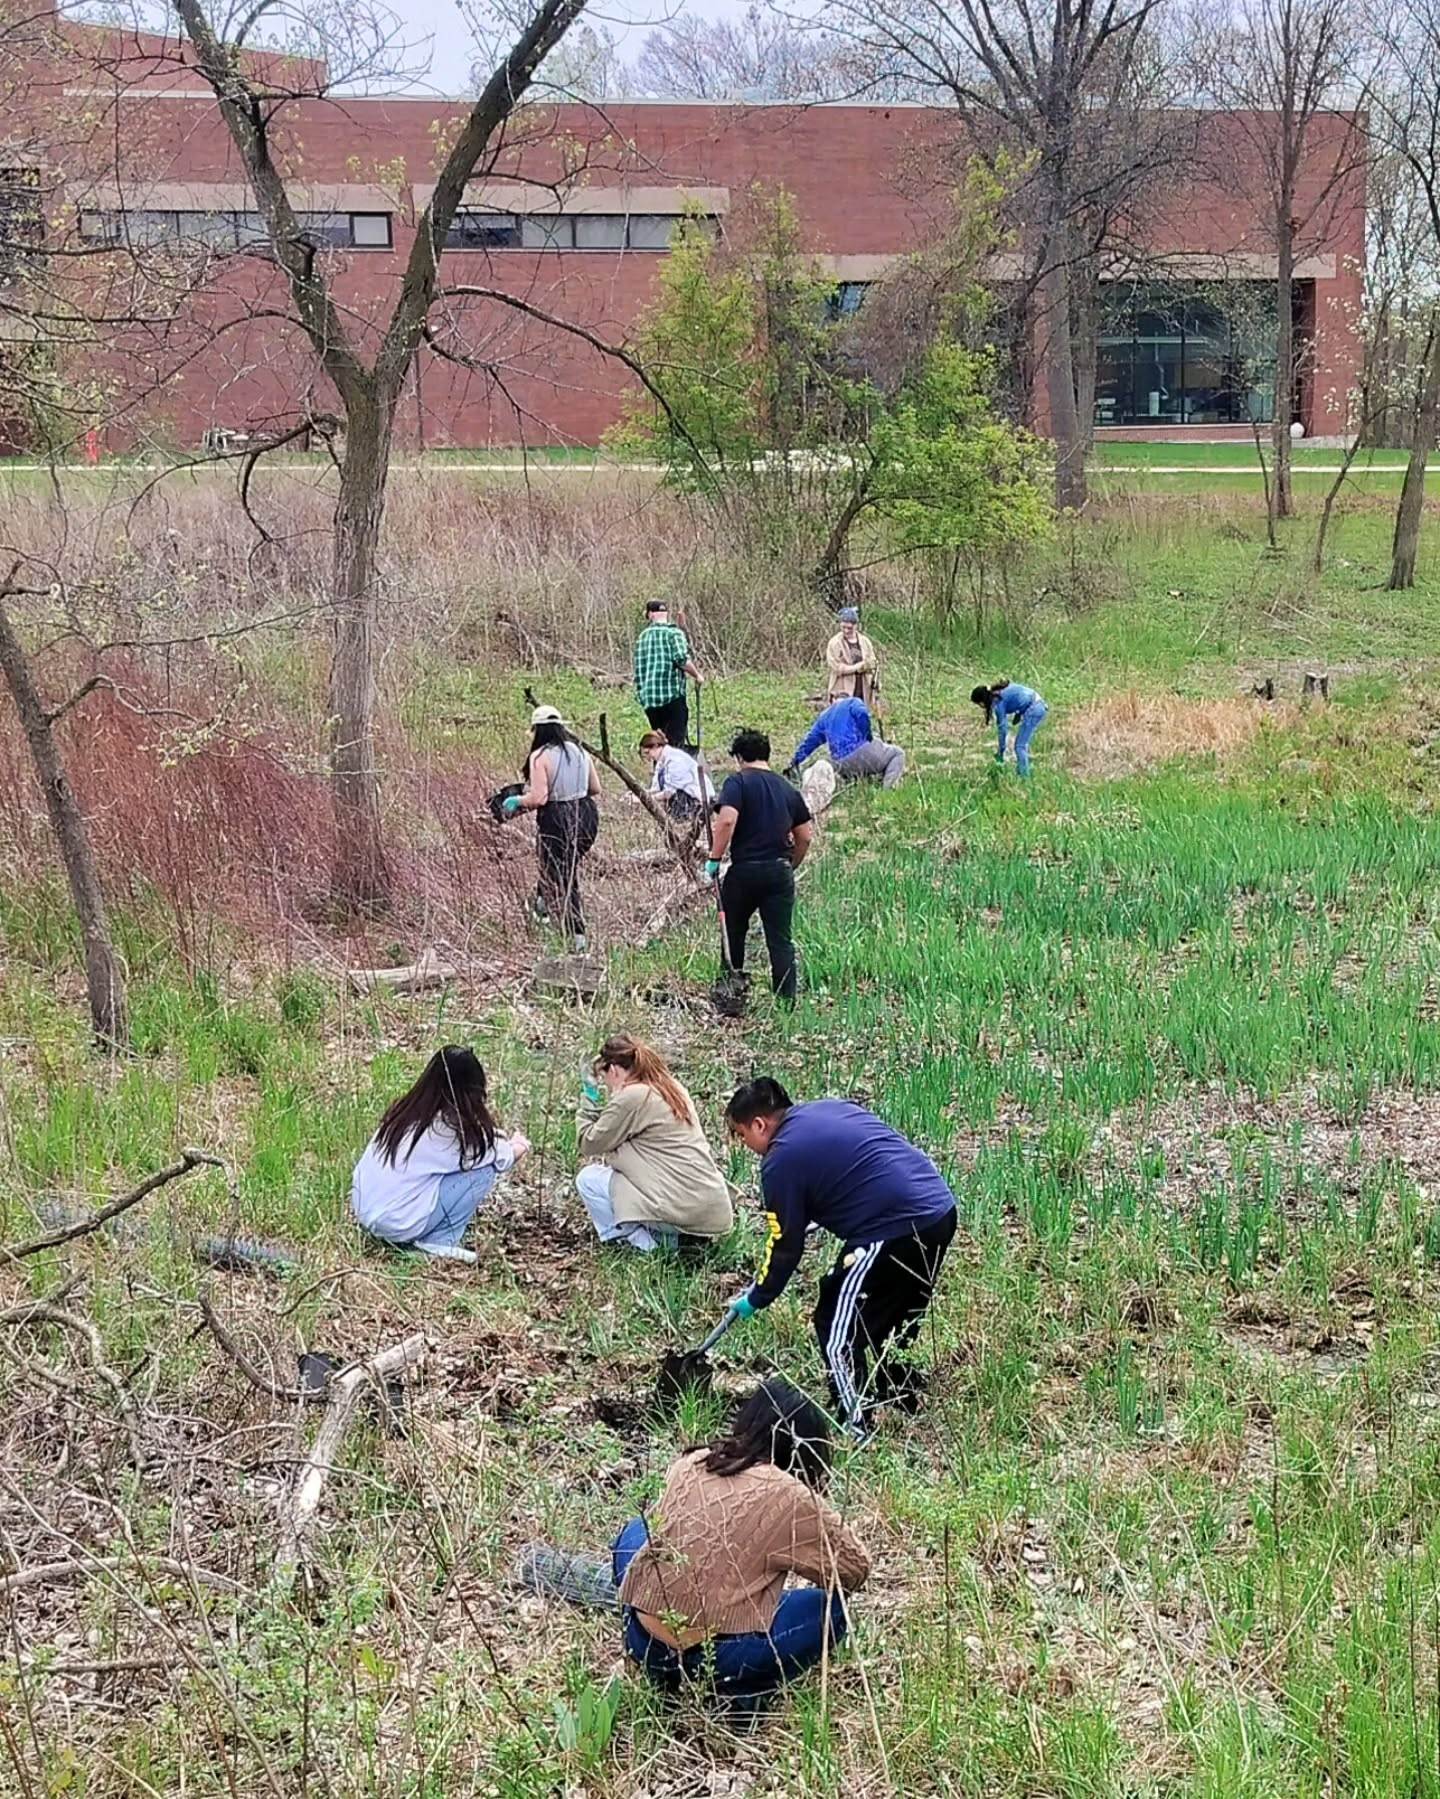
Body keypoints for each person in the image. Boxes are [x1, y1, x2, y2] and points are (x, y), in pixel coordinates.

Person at [612, 1377, 870, 1711]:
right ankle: (741, 1692)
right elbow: (855, 1569)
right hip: (716, 1659)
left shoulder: (694, 1460)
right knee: (833, 1610)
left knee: (635, 1532)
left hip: (643, 1640)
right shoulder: (791, 1495)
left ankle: (654, 1659)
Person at [722, 1079, 958, 1437]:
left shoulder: (780, 1159)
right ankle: (899, 1396)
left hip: (893, 1228)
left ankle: (856, 1424)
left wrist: (757, 1296)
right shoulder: (828, 1109)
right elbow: (852, 1174)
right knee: (893, 1315)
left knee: (836, 1326)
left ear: (759, 1124)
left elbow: (786, 1246)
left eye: (742, 1136)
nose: (746, 1147)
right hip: (939, 1211)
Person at [351, 1046, 529, 1263]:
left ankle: (421, 1233)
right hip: (395, 1221)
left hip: (367, 1211)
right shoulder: (444, 1129)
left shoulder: (407, 1113)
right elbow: (495, 1157)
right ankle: (439, 1242)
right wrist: (517, 1147)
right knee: (483, 1173)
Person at [576, 1034, 734, 1253]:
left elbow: (589, 1141)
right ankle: (684, 1243)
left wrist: (589, 1096)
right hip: (711, 1210)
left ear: (613, 1071)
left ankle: (638, 1245)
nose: (608, 1087)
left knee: (589, 1179)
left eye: (605, 1080)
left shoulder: (632, 1096)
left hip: (678, 1208)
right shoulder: (672, 1087)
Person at [705, 730, 813, 1005]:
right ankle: (786, 1002)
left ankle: (733, 993)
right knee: (780, 940)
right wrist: (791, 863)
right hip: (778, 871)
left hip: (745, 870)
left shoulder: (738, 782)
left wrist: (715, 859)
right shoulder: (786, 787)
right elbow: (805, 835)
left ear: (740, 757)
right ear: (767, 754)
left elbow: (727, 821)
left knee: (734, 930)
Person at [502, 705, 601, 952]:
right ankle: (541, 906)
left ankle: (576, 934)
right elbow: (595, 788)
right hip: (587, 816)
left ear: (537, 730)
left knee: (563, 874)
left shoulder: (540, 757)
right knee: (560, 868)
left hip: (558, 819)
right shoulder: (579, 751)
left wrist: (516, 801)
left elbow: (539, 798)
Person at [785, 695, 905, 790]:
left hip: (841, 764)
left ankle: (860, 785)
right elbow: (862, 713)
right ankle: (889, 790)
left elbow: (809, 743)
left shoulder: (824, 716)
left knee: (849, 770)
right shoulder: (852, 701)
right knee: (897, 754)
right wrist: (867, 735)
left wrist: (794, 763)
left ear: (832, 700)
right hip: (864, 750)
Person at [634, 599, 702, 749]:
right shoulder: (674, 633)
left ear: (650, 615)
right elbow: (682, 659)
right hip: (672, 698)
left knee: (659, 744)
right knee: (675, 745)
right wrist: (697, 675)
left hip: (650, 700)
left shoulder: (642, 638)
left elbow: (638, 671)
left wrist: (641, 695)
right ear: (666, 614)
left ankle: (660, 770)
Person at [972, 679, 1048, 777]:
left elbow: (1002, 729)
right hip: (1038, 704)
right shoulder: (1000, 690)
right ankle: (1021, 771)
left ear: (982, 700)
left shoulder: (998, 702)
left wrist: (1001, 750)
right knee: (1021, 745)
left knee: (1020, 746)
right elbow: (1020, 696)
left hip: (1035, 709)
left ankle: (1024, 777)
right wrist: (1019, 713)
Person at [640, 730, 715, 823]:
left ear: (656, 747)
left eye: (648, 753)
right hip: (684, 799)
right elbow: (656, 789)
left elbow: (669, 793)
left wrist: (644, 799)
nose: (648, 757)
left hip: (696, 801)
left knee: (674, 800)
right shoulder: (661, 762)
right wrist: (639, 793)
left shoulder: (675, 759)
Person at [825, 607, 879, 707]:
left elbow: (873, 662)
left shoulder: (865, 642)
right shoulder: (834, 643)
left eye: (849, 628)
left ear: (856, 626)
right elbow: (836, 667)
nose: (846, 631)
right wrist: (857, 667)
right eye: (843, 627)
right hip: (842, 691)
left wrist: (869, 666)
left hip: (863, 689)